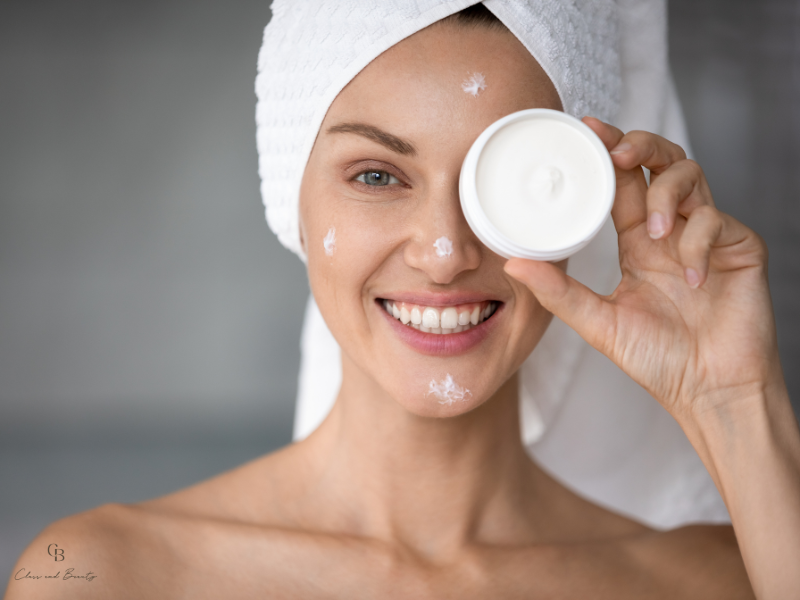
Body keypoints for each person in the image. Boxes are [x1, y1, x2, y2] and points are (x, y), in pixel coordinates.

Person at [5, 3, 799, 599]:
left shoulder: (717, 582)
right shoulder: (97, 578)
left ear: (576, 209)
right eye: (378, 177)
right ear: (294, 199)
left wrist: (735, 398)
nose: (446, 252)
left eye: (503, 183)